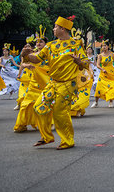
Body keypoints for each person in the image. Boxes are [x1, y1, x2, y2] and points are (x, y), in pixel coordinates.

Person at [20, 15, 89, 150]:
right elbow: (37, 58)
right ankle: (47, 137)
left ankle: (67, 140)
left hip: (68, 84)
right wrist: (25, 55)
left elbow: (86, 62)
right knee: (39, 107)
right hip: (53, 83)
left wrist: (79, 62)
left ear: (63, 29)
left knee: (60, 113)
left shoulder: (75, 45)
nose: (54, 29)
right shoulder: (51, 45)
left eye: (56, 27)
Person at [14, 35, 51, 132]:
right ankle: (22, 124)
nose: (38, 43)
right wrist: (27, 63)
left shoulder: (49, 54)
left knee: (45, 104)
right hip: (33, 82)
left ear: (45, 44)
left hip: (46, 83)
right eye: (37, 42)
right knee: (25, 104)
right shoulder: (32, 54)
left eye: (41, 42)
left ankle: (46, 123)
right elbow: (23, 63)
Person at [91, 40, 114, 108]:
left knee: (111, 87)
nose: (104, 47)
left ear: (108, 47)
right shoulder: (100, 55)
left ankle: (111, 101)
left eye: (105, 45)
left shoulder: (112, 54)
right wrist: (102, 69)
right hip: (103, 74)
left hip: (111, 73)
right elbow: (97, 65)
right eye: (102, 46)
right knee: (99, 87)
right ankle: (96, 102)